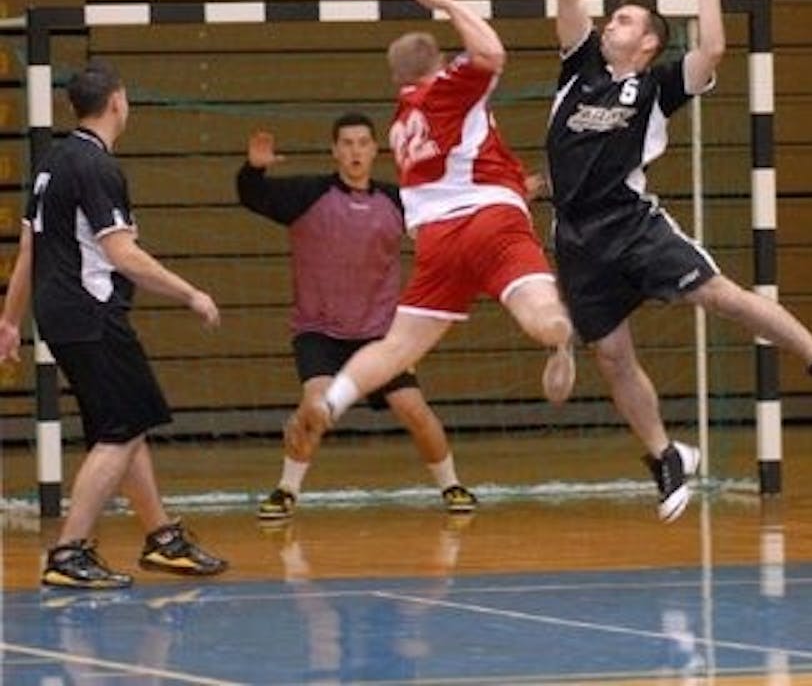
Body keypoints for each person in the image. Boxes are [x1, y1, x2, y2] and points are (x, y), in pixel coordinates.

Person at [547, 0, 812, 522]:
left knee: (720, 297)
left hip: (631, 224)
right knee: (612, 357)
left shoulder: (657, 87)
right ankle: (665, 455)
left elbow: (714, 50)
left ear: (648, 43)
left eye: (624, 19)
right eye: (611, 17)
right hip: (576, 238)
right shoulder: (580, 70)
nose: (610, 23)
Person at [286, 0, 577, 458]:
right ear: (437, 65)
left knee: (399, 347)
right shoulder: (447, 88)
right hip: (491, 221)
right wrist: (446, 3)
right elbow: (491, 53)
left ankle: (331, 402)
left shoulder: (402, 123)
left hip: (438, 242)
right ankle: (559, 339)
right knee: (540, 310)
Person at [0, 60, 227, 588]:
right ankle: (68, 551)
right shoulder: (97, 168)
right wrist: (190, 293)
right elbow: (122, 254)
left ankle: (163, 537)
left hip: (59, 314)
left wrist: (10, 322)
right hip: (92, 312)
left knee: (126, 421)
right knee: (121, 428)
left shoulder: (51, 162)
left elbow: (29, 250)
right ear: (119, 101)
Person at [236, 113, 478, 518]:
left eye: (362, 143)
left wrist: (507, 196)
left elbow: (450, 214)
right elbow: (252, 196)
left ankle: (451, 485)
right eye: (346, 144)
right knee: (317, 407)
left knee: (414, 410)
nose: (354, 151)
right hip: (320, 332)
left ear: (374, 150)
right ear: (335, 151)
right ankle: (286, 490)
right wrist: (254, 170)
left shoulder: (397, 201)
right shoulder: (306, 195)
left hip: (380, 337)